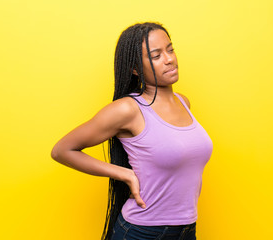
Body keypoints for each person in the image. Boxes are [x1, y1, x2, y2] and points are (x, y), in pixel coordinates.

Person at [51, 22, 213, 240]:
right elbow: (62, 150)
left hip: (186, 229)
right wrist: (124, 173)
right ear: (135, 69)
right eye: (156, 56)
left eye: (170, 49)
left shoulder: (183, 102)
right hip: (142, 232)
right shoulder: (129, 109)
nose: (169, 59)